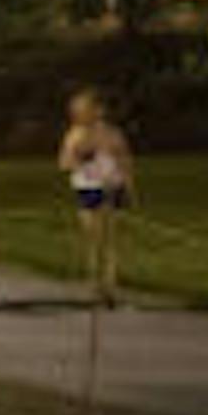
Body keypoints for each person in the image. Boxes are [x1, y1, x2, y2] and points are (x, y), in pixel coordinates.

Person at [57, 88, 135, 305]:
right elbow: (64, 163)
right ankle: (95, 284)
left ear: (98, 111)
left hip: (111, 186)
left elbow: (125, 158)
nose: (82, 114)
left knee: (111, 238)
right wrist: (81, 156)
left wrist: (128, 184)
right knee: (94, 238)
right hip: (88, 188)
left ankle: (111, 287)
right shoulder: (75, 135)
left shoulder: (112, 133)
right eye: (79, 110)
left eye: (87, 109)